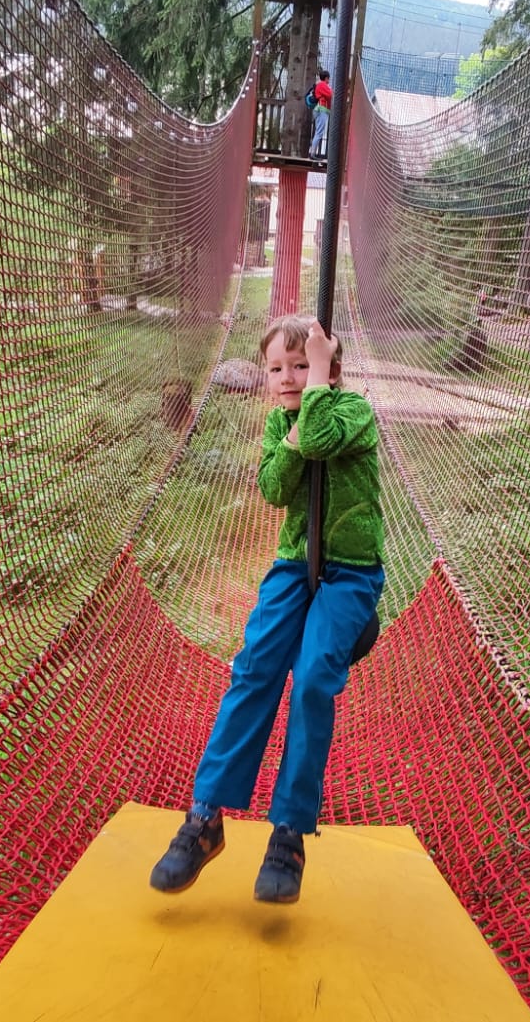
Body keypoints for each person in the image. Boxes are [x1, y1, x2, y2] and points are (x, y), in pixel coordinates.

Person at [149, 314, 384, 905]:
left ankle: (289, 833)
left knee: (312, 681)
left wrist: (319, 386)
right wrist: (292, 435)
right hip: (293, 564)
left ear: (331, 369)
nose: (288, 378)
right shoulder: (280, 421)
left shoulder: (354, 411)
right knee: (254, 669)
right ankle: (206, 815)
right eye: (277, 368)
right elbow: (275, 488)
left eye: (302, 366)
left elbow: (323, 439)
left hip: (349, 571)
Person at [309, 70, 333, 157]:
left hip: (320, 109)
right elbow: (330, 94)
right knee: (319, 132)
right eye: (328, 78)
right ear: (326, 78)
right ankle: (312, 154)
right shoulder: (322, 85)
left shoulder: (320, 85)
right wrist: (330, 89)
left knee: (318, 132)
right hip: (321, 109)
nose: (329, 80)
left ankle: (313, 153)